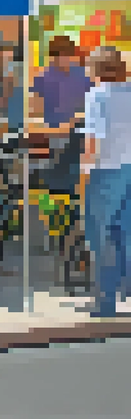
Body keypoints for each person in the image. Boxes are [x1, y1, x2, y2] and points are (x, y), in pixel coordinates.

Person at [81, 46, 131, 317]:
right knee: (126, 235)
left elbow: (94, 142)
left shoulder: (98, 96)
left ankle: (105, 302)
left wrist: (84, 173)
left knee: (102, 237)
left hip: (107, 169)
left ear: (97, 70)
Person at [35, 36, 94, 196]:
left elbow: (94, 101)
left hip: (80, 133)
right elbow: (35, 107)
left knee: (76, 173)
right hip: (56, 133)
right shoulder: (43, 77)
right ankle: (57, 203)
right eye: (59, 56)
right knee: (57, 175)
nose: (63, 59)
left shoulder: (84, 75)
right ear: (52, 57)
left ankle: (71, 204)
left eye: (66, 55)